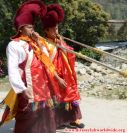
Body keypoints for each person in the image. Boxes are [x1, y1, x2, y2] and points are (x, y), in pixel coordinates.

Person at [0, 0, 65, 132]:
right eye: (29, 27)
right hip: (28, 90)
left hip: (43, 90)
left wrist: (39, 43)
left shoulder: (35, 43)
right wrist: (21, 89)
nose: (32, 29)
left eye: (32, 26)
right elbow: (12, 69)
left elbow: (47, 59)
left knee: (46, 121)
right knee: (27, 123)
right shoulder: (15, 45)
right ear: (20, 28)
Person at [41, 4, 84, 129]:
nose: (56, 31)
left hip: (65, 74)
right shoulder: (43, 43)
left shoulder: (59, 41)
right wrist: (57, 78)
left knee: (70, 94)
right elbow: (45, 64)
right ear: (46, 30)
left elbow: (70, 54)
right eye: (53, 29)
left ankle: (72, 119)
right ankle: (57, 121)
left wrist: (63, 47)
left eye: (57, 28)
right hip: (52, 77)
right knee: (55, 99)